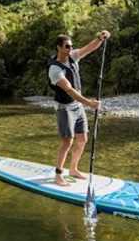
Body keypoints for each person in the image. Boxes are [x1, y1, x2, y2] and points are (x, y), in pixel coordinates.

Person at [47, 30, 111, 187]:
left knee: (82, 139)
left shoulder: (73, 56)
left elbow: (89, 48)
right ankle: (58, 175)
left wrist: (100, 38)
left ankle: (73, 169)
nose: (70, 49)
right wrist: (89, 103)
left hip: (78, 106)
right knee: (67, 141)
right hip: (65, 107)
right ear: (59, 48)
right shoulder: (55, 70)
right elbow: (69, 90)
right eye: (67, 46)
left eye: (71, 46)